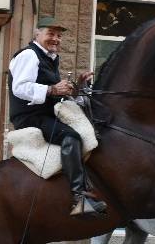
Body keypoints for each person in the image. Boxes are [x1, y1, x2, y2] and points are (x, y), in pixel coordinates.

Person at [7, 16, 106, 217]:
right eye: (50, 34)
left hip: (45, 113)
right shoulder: (29, 55)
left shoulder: (49, 58)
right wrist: (52, 89)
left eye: (59, 36)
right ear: (37, 34)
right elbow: (20, 88)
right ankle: (79, 197)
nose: (56, 39)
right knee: (72, 137)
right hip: (30, 116)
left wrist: (77, 86)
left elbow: (54, 92)